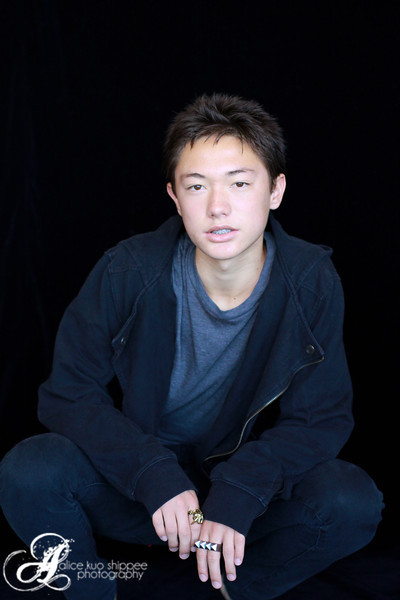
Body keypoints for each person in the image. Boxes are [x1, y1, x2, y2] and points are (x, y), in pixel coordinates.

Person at [0, 93, 383, 600]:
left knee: (350, 502)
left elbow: (320, 420)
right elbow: (68, 394)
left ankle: (230, 586)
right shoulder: (127, 269)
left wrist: (241, 490)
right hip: (142, 492)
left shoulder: (311, 280)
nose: (217, 207)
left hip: (236, 504)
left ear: (275, 191)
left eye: (240, 183)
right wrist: (151, 473)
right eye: (196, 186)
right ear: (175, 197)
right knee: (30, 469)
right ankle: (93, 593)